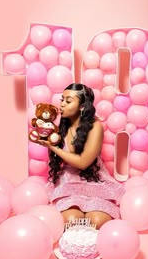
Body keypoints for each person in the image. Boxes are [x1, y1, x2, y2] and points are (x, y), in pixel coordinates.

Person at [38, 83, 125, 229]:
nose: (62, 104)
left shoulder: (95, 127)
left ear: (82, 106)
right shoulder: (61, 126)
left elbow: (83, 162)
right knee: (71, 221)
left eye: (68, 101)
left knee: (97, 222)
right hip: (69, 182)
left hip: (94, 181)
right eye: (62, 100)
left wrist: (52, 147)